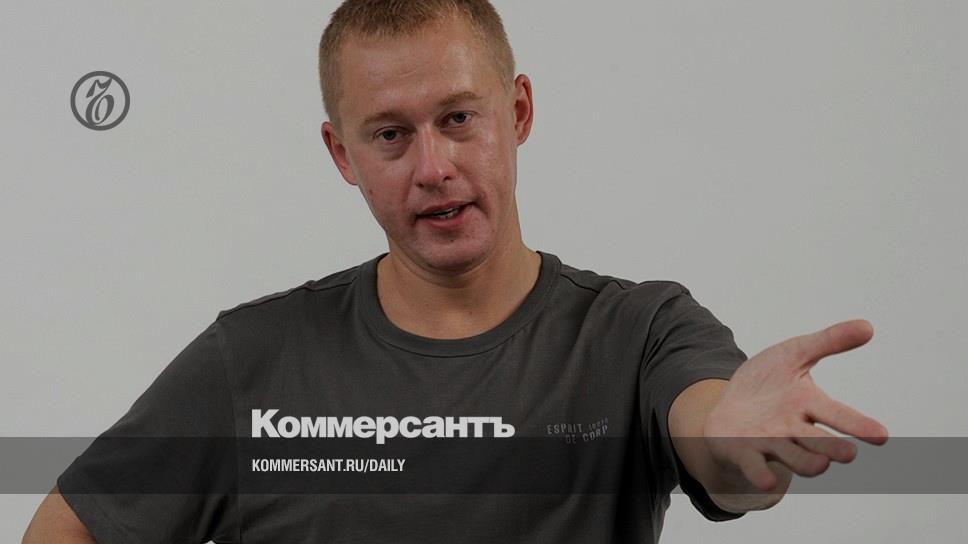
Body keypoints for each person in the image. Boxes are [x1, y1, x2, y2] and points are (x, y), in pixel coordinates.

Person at [23, 0, 888, 542]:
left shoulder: (639, 332)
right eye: (390, 135)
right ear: (342, 154)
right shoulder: (250, 359)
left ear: (518, 111)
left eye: (460, 118)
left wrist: (735, 440)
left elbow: (713, 438)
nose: (433, 167)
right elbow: (68, 531)